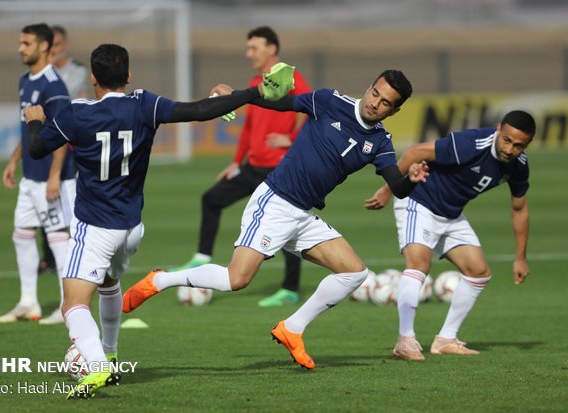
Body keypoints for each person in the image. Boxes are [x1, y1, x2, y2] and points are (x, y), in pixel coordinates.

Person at [24, 43, 295, 398]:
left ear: (92, 78)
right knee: (108, 284)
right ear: (129, 76)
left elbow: (37, 148)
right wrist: (249, 93)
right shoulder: (143, 105)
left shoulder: (75, 115)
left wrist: (34, 122)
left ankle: (97, 365)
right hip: (132, 229)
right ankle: (110, 352)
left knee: (73, 304)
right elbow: (199, 111)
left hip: (95, 226)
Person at [123, 70, 430, 370]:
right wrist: (236, 97)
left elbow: (398, 187)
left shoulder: (380, 141)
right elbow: (281, 103)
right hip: (276, 202)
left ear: (395, 110)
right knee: (237, 280)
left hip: (303, 216)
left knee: (354, 273)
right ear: (369, 87)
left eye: (386, 102)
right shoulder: (329, 101)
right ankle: (159, 280)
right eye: (375, 93)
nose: (375, 102)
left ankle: (292, 328)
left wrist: (412, 179)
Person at [364, 110, 535, 361]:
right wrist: (389, 189)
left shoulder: (518, 167)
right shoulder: (471, 143)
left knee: (478, 272)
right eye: (507, 140)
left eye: (519, 145)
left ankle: (446, 339)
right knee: (419, 265)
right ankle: (405, 341)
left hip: (451, 215)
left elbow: (519, 208)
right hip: (419, 200)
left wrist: (521, 257)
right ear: (498, 129)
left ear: (527, 145)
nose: (510, 149)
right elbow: (415, 152)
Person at [172, 26, 311, 308]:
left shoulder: (293, 78)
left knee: (287, 232)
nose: (249, 54)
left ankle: (290, 289)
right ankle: (201, 257)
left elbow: (313, 110)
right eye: (248, 48)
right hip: (252, 167)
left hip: (278, 171)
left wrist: (291, 138)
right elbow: (248, 126)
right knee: (211, 199)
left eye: (254, 48)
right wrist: (236, 161)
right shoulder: (255, 81)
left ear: (272, 49)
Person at [0, 23, 74, 324]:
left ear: (43, 46)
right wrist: (14, 160)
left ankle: (68, 307)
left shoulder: (54, 85)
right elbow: (27, 128)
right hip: (30, 177)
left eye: (26, 43)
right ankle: (28, 302)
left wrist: (55, 175)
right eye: (20, 42)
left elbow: (62, 133)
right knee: (22, 234)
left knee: (57, 237)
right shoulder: (24, 81)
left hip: (51, 179)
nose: (20, 48)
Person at [35, 25, 89, 325]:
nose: (53, 49)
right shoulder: (41, 75)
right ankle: (50, 260)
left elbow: (65, 101)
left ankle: (71, 289)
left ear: (63, 44)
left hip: (73, 147)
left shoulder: (75, 72)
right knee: (49, 211)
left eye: (56, 44)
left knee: (69, 210)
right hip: (53, 142)